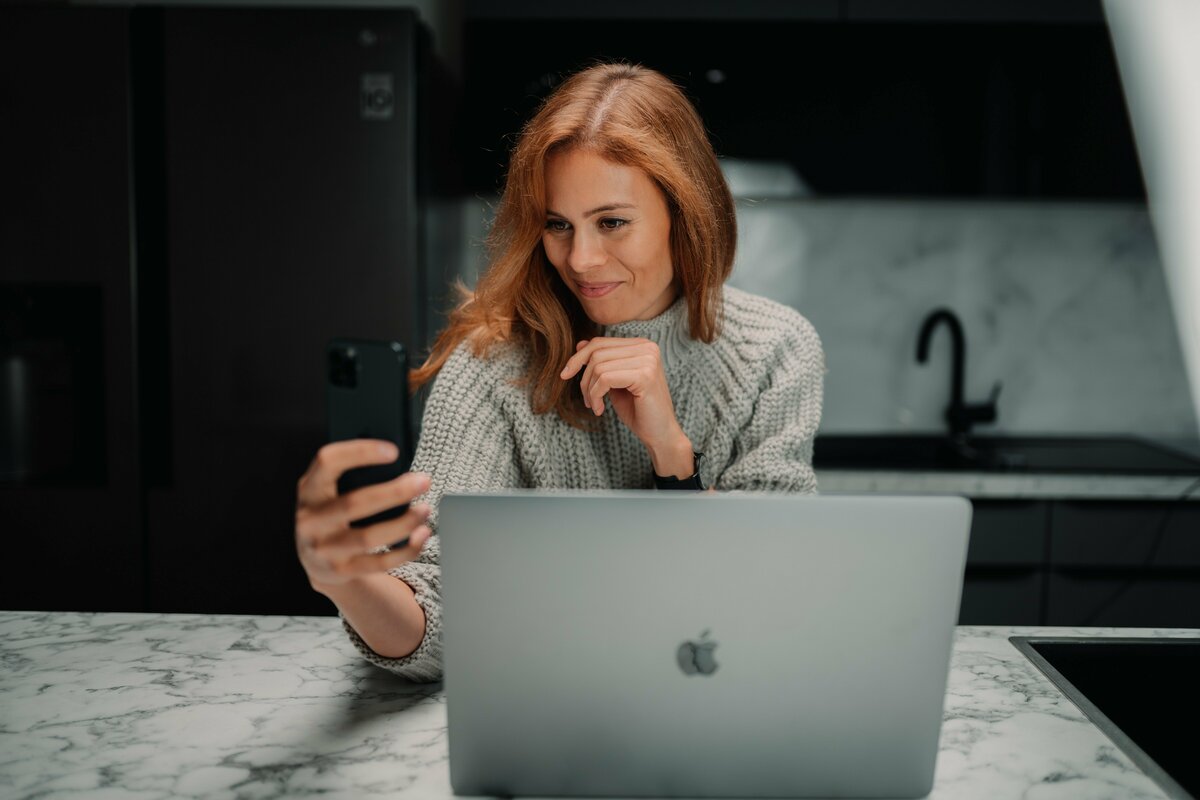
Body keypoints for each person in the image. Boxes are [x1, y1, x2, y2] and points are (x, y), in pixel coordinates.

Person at [294, 62, 825, 683]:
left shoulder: (778, 350)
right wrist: (347, 582)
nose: (580, 259)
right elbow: (435, 621)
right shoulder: (492, 364)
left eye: (612, 222)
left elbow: (769, 598)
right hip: (541, 704)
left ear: (685, 214)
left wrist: (672, 454)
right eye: (558, 225)